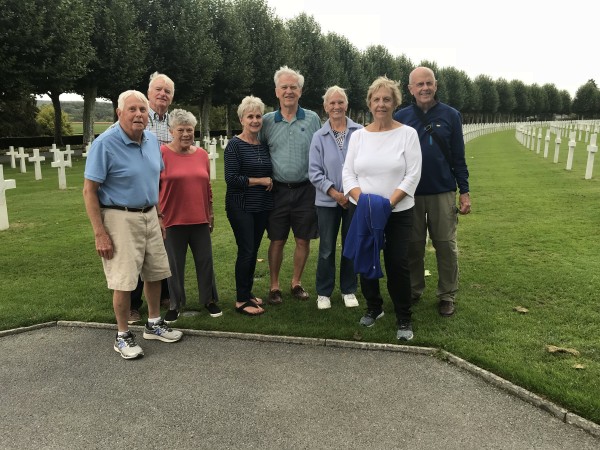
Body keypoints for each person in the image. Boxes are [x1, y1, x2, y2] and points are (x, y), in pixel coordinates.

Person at [83, 90, 183, 359]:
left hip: (149, 214)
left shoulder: (150, 140)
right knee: (124, 280)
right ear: (119, 113)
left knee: (155, 273)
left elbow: (154, 181)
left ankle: (153, 323)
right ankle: (123, 335)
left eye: (143, 110)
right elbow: (89, 191)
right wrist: (99, 232)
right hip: (119, 217)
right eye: (132, 109)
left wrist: (159, 216)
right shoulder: (105, 144)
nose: (139, 114)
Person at [342, 76, 422, 341]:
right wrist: (363, 201)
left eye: (386, 99)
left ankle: (403, 316)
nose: (381, 104)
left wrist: (387, 205)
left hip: (397, 211)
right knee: (365, 259)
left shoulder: (407, 134)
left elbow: (412, 175)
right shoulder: (358, 137)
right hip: (363, 210)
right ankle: (374, 307)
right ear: (369, 103)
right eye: (376, 99)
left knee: (397, 263)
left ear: (395, 102)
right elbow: (348, 174)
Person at [393, 67, 471, 317]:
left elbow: (458, 157)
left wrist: (465, 192)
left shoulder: (451, 115)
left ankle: (447, 294)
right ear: (410, 89)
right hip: (409, 193)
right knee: (412, 246)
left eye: (429, 83)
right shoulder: (402, 116)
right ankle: (414, 290)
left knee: (445, 245)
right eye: (419, 84)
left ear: (436, 85)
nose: (424, 88)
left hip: (442, 191)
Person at [259, 66, 322, 305]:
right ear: (276, 92)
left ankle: (296, 282)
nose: (288, 91)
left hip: (306, 189)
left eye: (293, 87)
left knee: (303, 239)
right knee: (277, 239)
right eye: (284, 87)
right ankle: (274, 286)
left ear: (300, 91)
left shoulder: (313, 118)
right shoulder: (266, 122)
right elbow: (259, 151)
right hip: (276, 191)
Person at [159, 109, 221, 323]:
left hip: (200, 218)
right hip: (172, 219)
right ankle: (175, 305)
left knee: (205, 261)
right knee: (174, 265)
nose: (186, 134)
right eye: (181, 130)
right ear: (171, 131)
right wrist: (158, 216)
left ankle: (209, 300)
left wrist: (211, 211)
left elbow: (207, 186)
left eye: (189, 130)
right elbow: (154, 187)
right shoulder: (162, 153)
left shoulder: (202, 154)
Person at [308, 86, 362, 310]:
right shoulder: (318, 137)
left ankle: (349, 289)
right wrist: (335, 193)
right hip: (327, 201)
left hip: (354, 200)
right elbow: (314, 172)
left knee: (351, 245)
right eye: (332, 103)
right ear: (325, 107)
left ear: (346, 105)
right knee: (327, 247)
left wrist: (350, 193)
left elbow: (364, 166)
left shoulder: (360, 132)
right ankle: (324, 292)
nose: (336, 106)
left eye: (340, 102)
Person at [128, 71, 176, 324]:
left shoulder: (174, 122)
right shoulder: (139, 117)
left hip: (168, 191)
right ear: (149, 93)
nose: (162, 94)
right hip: (142, 190)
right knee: (137, 250)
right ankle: (133, 305)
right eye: (158, 89)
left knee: (163, 247)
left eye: (167, 91)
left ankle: (165, 295)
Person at [224, 96, 273, 316]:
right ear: (242, 119)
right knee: (246, 250)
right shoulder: (234, 145)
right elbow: (232, 179)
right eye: (250, 116)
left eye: (258, 116)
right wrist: (260, 181)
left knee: (253, 251)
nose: (255, 120)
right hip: (241, 205)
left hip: (261, 205)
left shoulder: (262, 146)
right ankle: (241, 301)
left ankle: (248, 291)